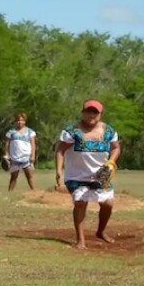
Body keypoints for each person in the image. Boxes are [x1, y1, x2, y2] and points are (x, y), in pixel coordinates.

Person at [54, 100, 121, 249]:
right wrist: (59, 170)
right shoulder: (72, 132)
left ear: (100, 114)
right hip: (76, 176)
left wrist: (111, 161)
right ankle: (80, 240)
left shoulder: (109, 131)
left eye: (95, 112)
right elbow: (60, 150)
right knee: (80, 202)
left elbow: (116, 148)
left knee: (108, 204)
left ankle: (101, 231)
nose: (91, 115)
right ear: (82, 112)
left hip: (100, 174)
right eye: (88, 111)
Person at [5, 113, 37, 191]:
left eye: (22, 120)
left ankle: (34, 192)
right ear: (15, 121)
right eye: (18, 120)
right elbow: (7, 144)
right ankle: (10, 192)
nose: (20, 122)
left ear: (25, 122)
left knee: (29, 177)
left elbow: (33, 144)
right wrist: (6, 154)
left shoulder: (30, 132)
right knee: (13, 178)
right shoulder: (11, 132)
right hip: (14, 158)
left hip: (26, 158)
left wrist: (33, 155)